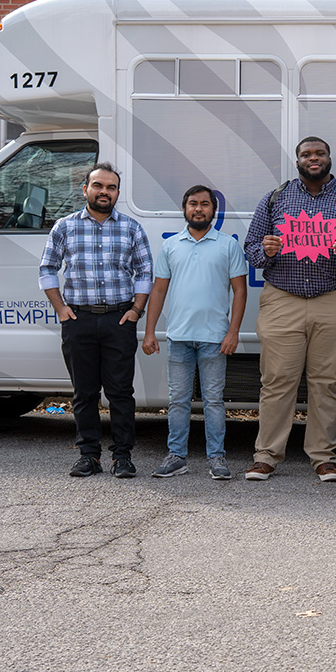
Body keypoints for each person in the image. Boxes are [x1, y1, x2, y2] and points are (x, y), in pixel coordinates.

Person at [242, 137, 336, 482]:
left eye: (319, 153)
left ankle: (323, 456)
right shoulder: (276, 198)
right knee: (276, 380)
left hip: (333, 298)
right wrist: (267, 250)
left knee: (329, 381)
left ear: (329, 158)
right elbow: (251, 248)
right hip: (282, 299)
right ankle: (267, 455)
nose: (313, 158)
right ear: (298, 160)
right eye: (306, 154)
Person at [39, 162, 153, 478]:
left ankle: (122, 457)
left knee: (120, 392)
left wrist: (136, 311)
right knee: (84, 393)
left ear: (117, 192)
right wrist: (61, 309)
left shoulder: (131, 228)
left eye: (111, 187)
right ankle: (89, 455)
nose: (105, 192)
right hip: (79, 321)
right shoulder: (64, 227)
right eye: (98, 186)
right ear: (85, 189)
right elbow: (47, 268)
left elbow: (145, 271)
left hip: (119, 320)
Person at [141, 185, 247, 480]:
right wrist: (150, 332)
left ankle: (217, 458)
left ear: (214, 210)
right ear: (184, 209)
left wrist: (233, 332)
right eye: (192, 203)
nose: (198, 209)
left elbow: (240, 291)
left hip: (215, 338)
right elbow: (158, 290)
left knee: (213, 400)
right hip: (178, 338)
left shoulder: (228, 245)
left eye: (204, 204)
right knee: (178, 400)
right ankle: (176, 456)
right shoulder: (171, 245)